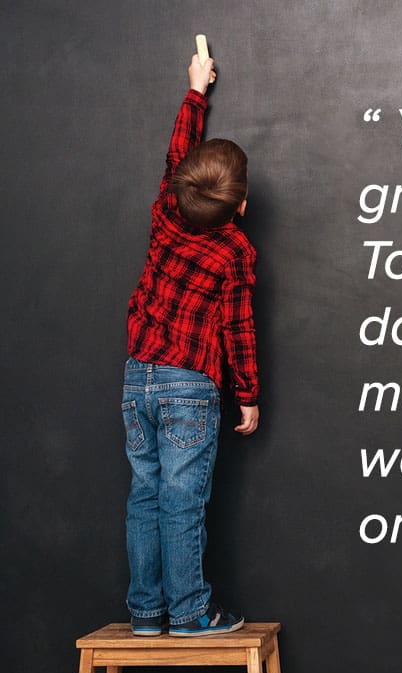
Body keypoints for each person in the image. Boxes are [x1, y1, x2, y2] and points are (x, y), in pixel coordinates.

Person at [121, 52, 259, 637]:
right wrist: (247, 394)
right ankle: (190, 612)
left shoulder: (163, 214)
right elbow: (237, 330)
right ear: (242, 206)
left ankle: (146, 612)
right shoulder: (234, 253)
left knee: (145, 497)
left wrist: (195, 91)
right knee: (182, 502)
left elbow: (177, 154)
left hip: (137, 379)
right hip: (189, 386)